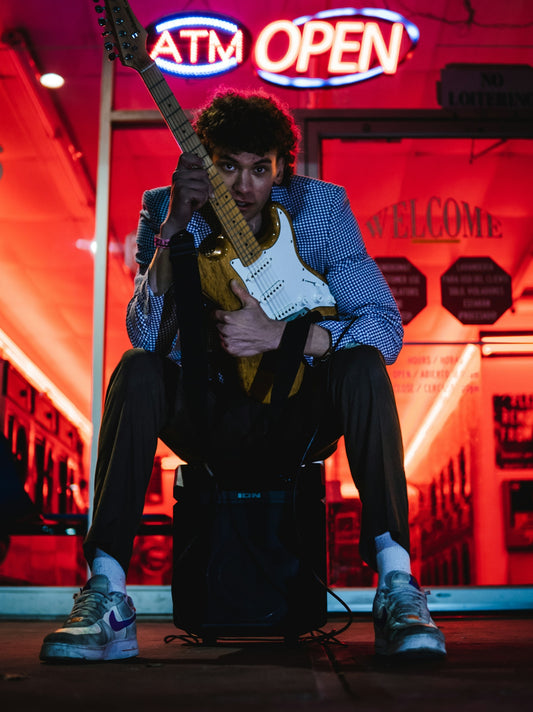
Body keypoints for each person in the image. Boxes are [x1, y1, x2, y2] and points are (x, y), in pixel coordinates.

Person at [40, 88, 446, 662]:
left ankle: (397, 586)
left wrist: (281, 337)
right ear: (205, 162)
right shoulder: (166, 206)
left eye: (261, 168)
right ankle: (106, 591)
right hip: (208, 412)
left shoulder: (321, 210)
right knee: (135, 371)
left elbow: (384, 328)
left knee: (361, 366)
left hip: (296, 414)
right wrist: (172, 232)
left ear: (280, 167)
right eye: (228, 166)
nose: (244, 186)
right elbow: (146, 336)